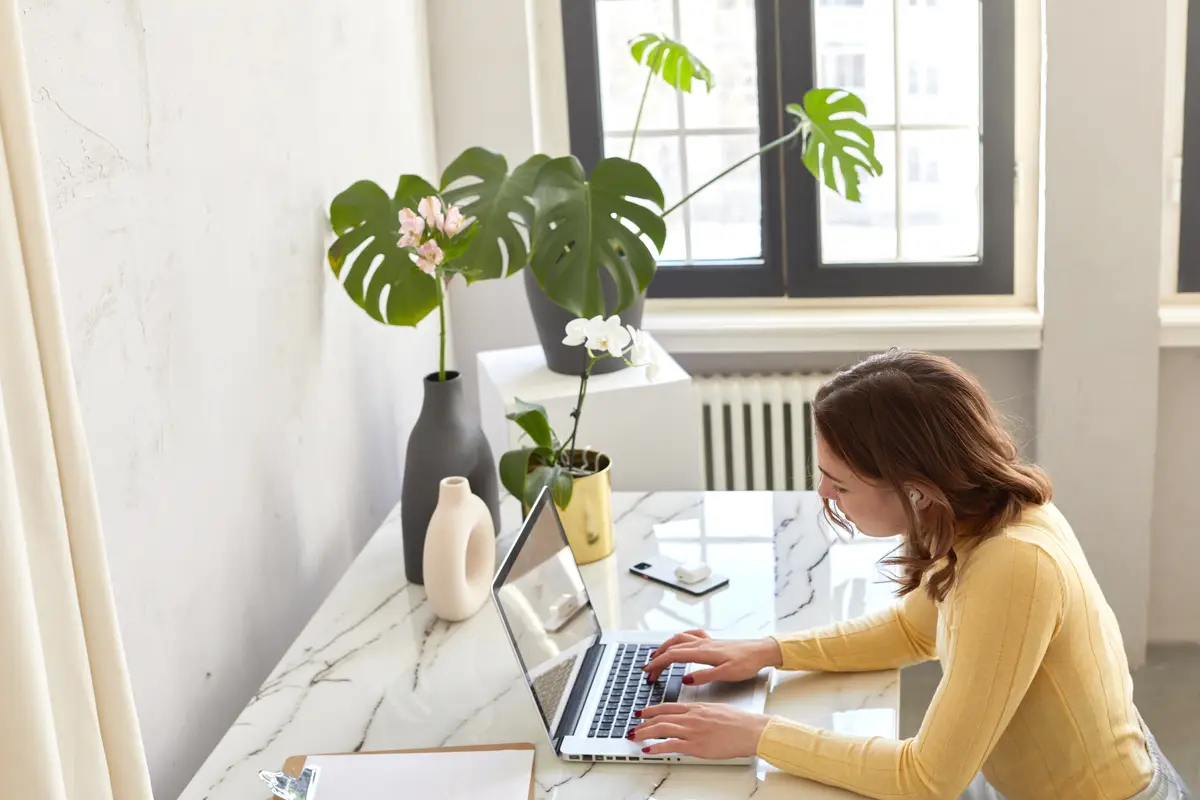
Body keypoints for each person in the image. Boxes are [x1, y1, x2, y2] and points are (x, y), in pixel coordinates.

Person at [630, 350, 1191, 799]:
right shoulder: (980, 513)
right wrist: (767, 650)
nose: (823, 492)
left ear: (916, 489)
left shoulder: (1013, 564)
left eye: (839, 483)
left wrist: (756, 735)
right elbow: (912, 630)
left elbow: (926, 780)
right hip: (1008, 779)